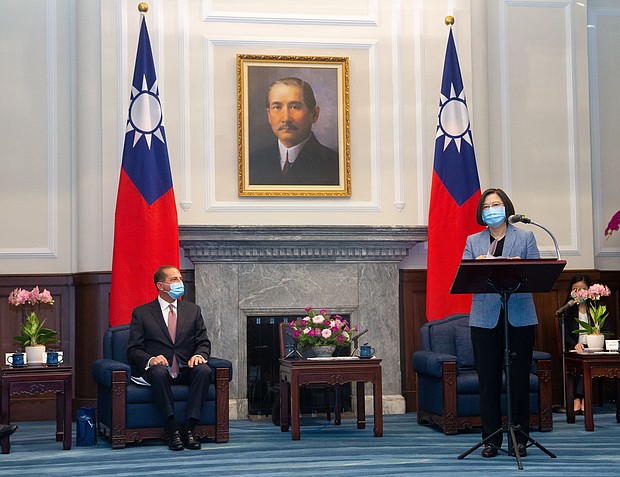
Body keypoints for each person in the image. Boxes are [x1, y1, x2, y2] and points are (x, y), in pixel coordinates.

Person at [462, 188, 540, 459]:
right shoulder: (473, 241)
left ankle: (519, 438)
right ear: (481, 213)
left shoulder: (526, 237)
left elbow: (538, 276)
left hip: (519, 316)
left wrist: (522, 268)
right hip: (485, 318)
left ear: (506, 207)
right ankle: (491, 439)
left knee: (518, 379)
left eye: (496, 204)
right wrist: (478, 266)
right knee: (488, 380)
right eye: (487, 207)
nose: (491, 210)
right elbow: (466, 279)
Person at [127, 265, 211, 451]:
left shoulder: (192, 310)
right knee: (156, 371)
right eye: (174, 280)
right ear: (161, 285)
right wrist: (150, 359)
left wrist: (199, 355)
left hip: (185, 368)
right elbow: (134, 349)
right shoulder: (141, 313)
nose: (180, 283)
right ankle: (172, 429)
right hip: (160, 371)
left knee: (204, 370)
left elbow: (204, 342)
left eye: (180, 279)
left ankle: (189, 428)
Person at [249, 77, 339, 185]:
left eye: (294, 107)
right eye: (277, 107)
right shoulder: (252, 162)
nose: (286, 118)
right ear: (269, 115)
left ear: (314, 114)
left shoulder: (334, 164)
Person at [561, 274, 609, 414]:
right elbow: (566, 334)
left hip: (595, 347)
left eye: (582, 289)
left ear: (589, 290)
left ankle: (579, 398)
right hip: (575, 348)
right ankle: (579, 399)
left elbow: (606, 329)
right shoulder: (567, 310)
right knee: (579, 359)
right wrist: (574, 345)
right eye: (575, 289)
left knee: (587, 361)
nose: (578, 292)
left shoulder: (598, 307)